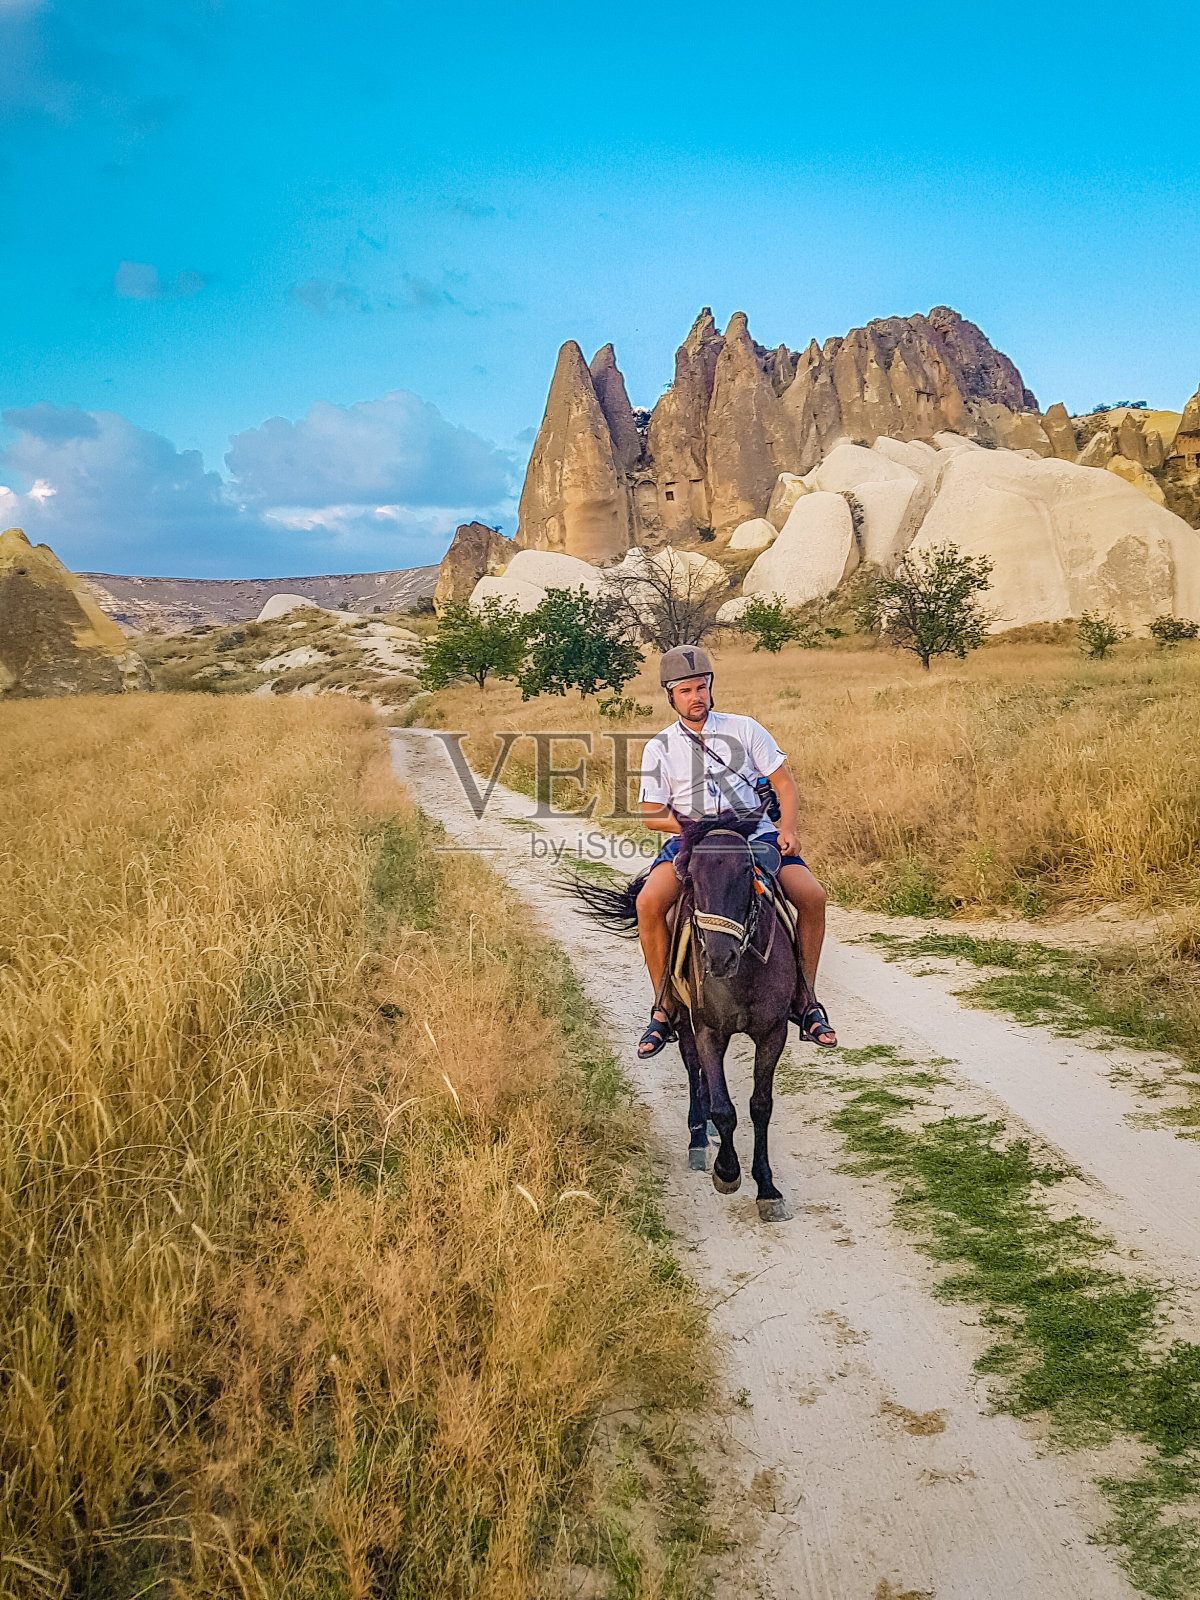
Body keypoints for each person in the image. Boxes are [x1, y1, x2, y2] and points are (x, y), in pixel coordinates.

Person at [634, 643, 837, 1058]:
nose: (697, 697)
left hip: (754, 834)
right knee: (649, 903)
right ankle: (665, 1005)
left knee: (812, 896)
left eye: (702, 687)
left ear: (711, 687)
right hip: (693, 840)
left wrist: (788, 828)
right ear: (670, 696)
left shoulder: (746, 729)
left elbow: (784, 785)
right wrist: (696, 828)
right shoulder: (659, 746)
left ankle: (806, 998)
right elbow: (652, 814)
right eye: (686, 690)